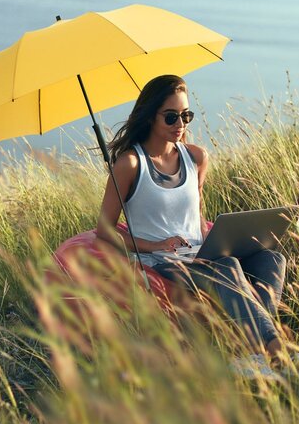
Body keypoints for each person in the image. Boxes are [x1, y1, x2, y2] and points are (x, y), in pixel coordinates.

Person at [96, 74, 287, 359]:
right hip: (162, 260)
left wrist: (215, 237)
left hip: (200, 250)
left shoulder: (196, 157)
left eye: (186, 116)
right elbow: (104, 229)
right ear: (150, 117)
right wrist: (154, 246)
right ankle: (278, 351)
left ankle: (252, 352)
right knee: (227, 266)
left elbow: (196, 210)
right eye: (171, 117)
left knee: (272, 258)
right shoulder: (130, 164)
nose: (181, 125)